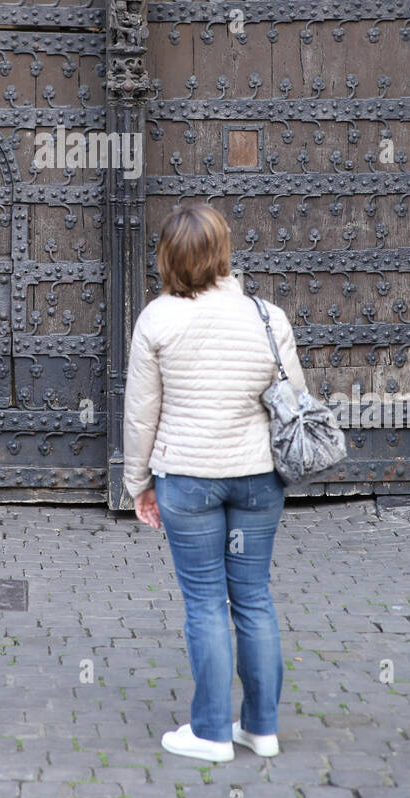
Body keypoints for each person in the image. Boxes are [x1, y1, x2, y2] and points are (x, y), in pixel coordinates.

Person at [122, 202, 309, 763]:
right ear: (223, 251)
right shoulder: (267, 316)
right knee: (253, 600)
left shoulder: (157, 318)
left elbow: (140, 414)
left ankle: (209, 732)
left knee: (204, 603)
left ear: (168, 257)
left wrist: (138, 483)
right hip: (257, 479)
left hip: (189, 479)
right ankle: (261, 727)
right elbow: (294, 400)